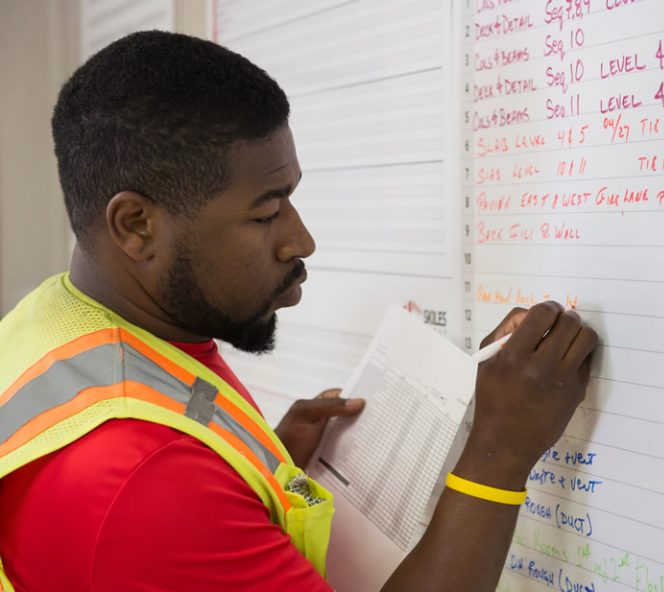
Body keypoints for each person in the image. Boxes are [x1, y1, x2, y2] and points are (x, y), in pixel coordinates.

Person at [0, 31, 597, 592]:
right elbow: (161, 497)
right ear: (136, 225)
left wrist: (266, 465)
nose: (300, 240)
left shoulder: (62, 317)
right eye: (265, 214)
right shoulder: (149, 481)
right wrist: (499, 451)